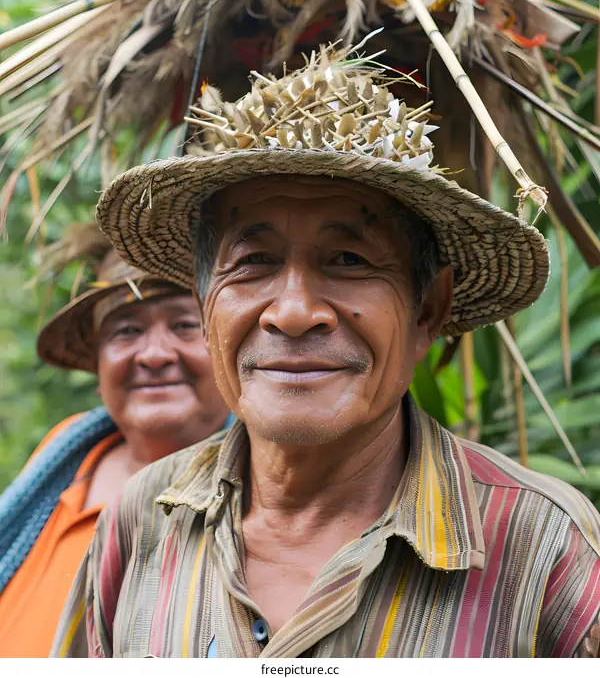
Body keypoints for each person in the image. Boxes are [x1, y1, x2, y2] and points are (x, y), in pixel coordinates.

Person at [54, 47, 600, 658]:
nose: (292, 311)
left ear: (428, 309)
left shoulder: (542, 546)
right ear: (207, 304)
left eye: (349, 260)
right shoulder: (142, 522)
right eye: (253, 262)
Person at [0, 229, 232, 657]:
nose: (154, 354)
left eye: (184, 325)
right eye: (126, 331)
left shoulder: (264, 494)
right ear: (97, 369)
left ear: (228, 347)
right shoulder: (67, 452)